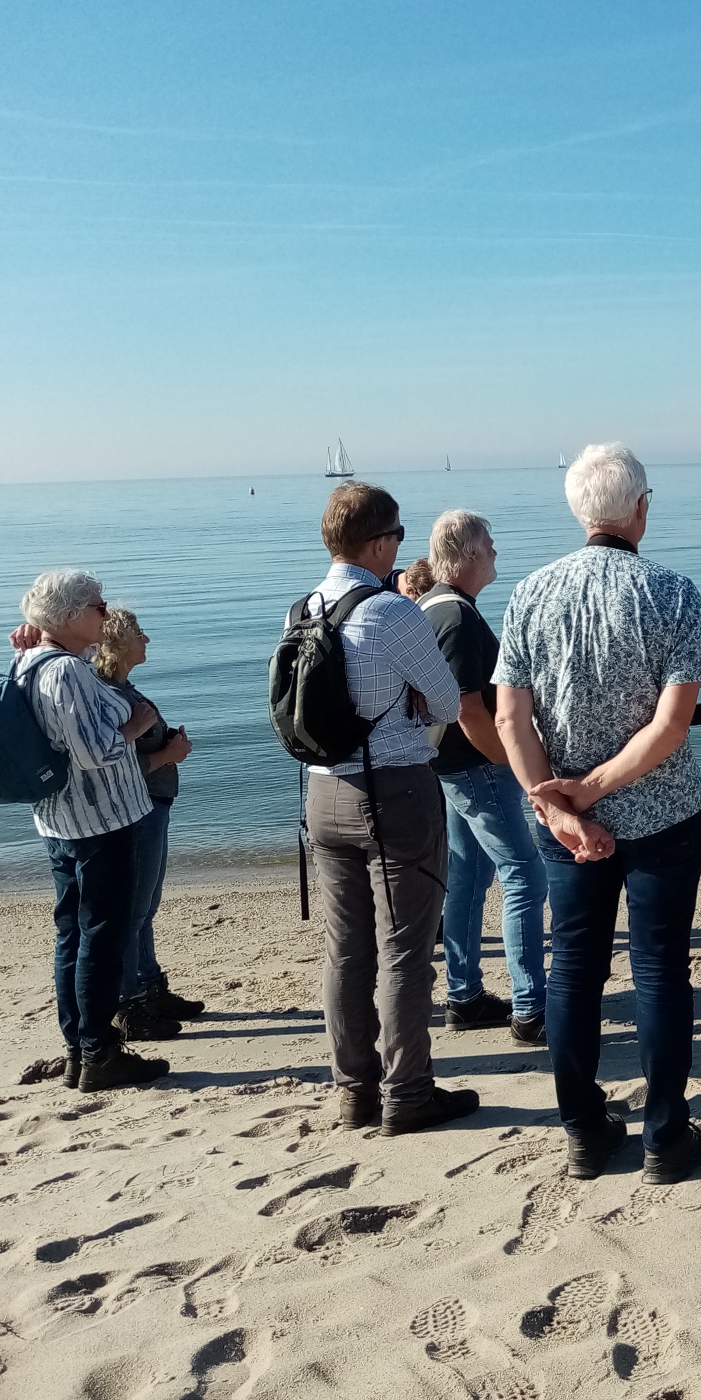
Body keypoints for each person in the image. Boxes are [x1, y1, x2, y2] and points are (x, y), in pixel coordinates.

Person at [496, 443, 701, 1185]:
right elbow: (672, 725)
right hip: (660, 816)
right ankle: (665, 1135)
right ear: (640, 510)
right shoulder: (674, 593)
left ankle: (585, 1131)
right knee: (659, 972)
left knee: (575, 973)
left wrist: (557, 803)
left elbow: (510, 720)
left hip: (565, 823)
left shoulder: (529, 593)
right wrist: (586, 793)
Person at [294, 482, 474, 1138]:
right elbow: (450, 703)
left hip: (321, 793)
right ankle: (407, 1092)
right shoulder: (393, 614)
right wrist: (415, 701)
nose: (401, 547)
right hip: (393, 788)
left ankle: (354, 1090)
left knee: (345, 950)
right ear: (376, 543)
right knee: (403, 948)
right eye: (397, 536)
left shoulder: (303, 609)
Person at [14, 570, 170, 1093]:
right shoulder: (67, 673)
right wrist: (136, 727)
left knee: (73, 936)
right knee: (99, 938)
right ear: (69, 617)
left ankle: (81, 1049)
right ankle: (99, 1052)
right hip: (99, 822)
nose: (106, 612)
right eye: (97, 606)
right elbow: (94, 751)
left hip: (60, 820)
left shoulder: (32, 663)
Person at [421, 510, 549, 1043]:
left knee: (470, 875)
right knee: (525, 871)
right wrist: (507, 759)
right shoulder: (454, 616)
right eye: (489, 544)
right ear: (469, 553)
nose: (495, 551)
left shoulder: (432, 608)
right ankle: (531, 1007)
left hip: (449, 763)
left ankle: (465, 994)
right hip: (473, 764)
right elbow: (467, 706)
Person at [90, 607, 200, 1040]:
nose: (147, 640)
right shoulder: (105, 693)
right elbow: (107, 764)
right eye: (138, 632)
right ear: (116, 642)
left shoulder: (119, 688)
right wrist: (166, 756)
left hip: (151, 805)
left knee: (145, 906)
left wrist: (167, 745)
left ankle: (150, 987)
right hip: (136, 809)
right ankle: (130, 1004)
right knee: (133, 910)